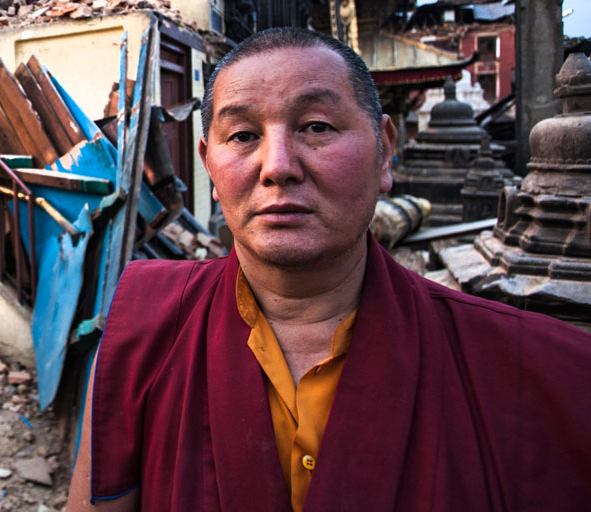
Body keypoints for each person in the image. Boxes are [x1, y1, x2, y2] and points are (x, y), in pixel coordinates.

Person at [67, 27, 591, 511]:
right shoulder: (142, 333)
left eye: (316, 126)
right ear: (208, 163)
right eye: (243, 135)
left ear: (385, 151)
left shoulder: (539, 372)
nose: (277, 166)